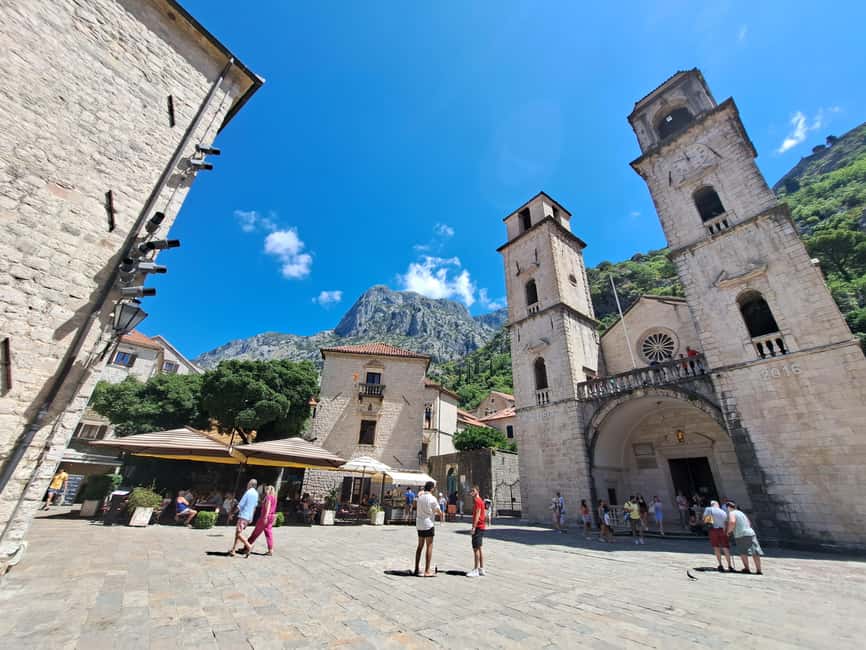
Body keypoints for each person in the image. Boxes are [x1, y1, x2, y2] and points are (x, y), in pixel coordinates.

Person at [726, 502, 763, 575]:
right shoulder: (742, 513)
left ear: (728, 507)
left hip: (741, 534)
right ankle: (759, 570)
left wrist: (729, 531)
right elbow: (749, 523)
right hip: (750, 533)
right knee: (755, 552)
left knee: (743, 552)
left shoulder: (732, 513)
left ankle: (747, 568)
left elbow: (732, 522)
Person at [413, 481, 441, 577]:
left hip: (419, 524)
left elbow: (415, 505)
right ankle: (427, 570)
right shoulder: (432, 498)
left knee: (420, 546)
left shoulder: (420, 497)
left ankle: (416, 568)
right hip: (428, 524)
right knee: (429, 546)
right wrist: (440, 514)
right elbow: (438, 510)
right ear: (432, 488)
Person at [702, 500, 734, 572]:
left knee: (716, 547)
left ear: (712, 504)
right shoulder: (723, 512)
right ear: (718, 505)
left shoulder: (708, 509)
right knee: (725, 548)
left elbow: (704, 518)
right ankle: (729, 565)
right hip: (722, 530)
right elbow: (726, 522)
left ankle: (720, 565)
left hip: (713, 530)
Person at [229, 479, 259, 557]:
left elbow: (240, 505)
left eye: (248, 483)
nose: (247, 485)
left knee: (238, 534)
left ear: (251, 484)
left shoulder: (248, 492)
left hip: (243, 515)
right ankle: (233, 550)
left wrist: (232, 513)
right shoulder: (256, 494)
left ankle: (249, 546)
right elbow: (254, 507)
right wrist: (251, 517)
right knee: (238, 533)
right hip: (248, 517)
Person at [248, 485, 277, 556]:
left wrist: (265, 517)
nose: (265, 491)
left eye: (267, 489)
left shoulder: (268, 497)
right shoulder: (274, 498)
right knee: (269, 534)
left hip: (265, 517)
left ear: (269, 490)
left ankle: (247, 546)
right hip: (271, 517)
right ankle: (270, 550)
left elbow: (268, 507)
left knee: (256, 532)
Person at [466, 485, 486, 577]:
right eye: (471, 491)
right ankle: (481, 568)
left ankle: (475, 569)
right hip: (481, 527)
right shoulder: (480, 500)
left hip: (478, 527)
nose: (471, 492)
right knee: (480, 548)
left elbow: (477, 514)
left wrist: (473, 528)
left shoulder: (477, 501)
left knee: (476, 549)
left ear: (477, 491)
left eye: (473, 491)